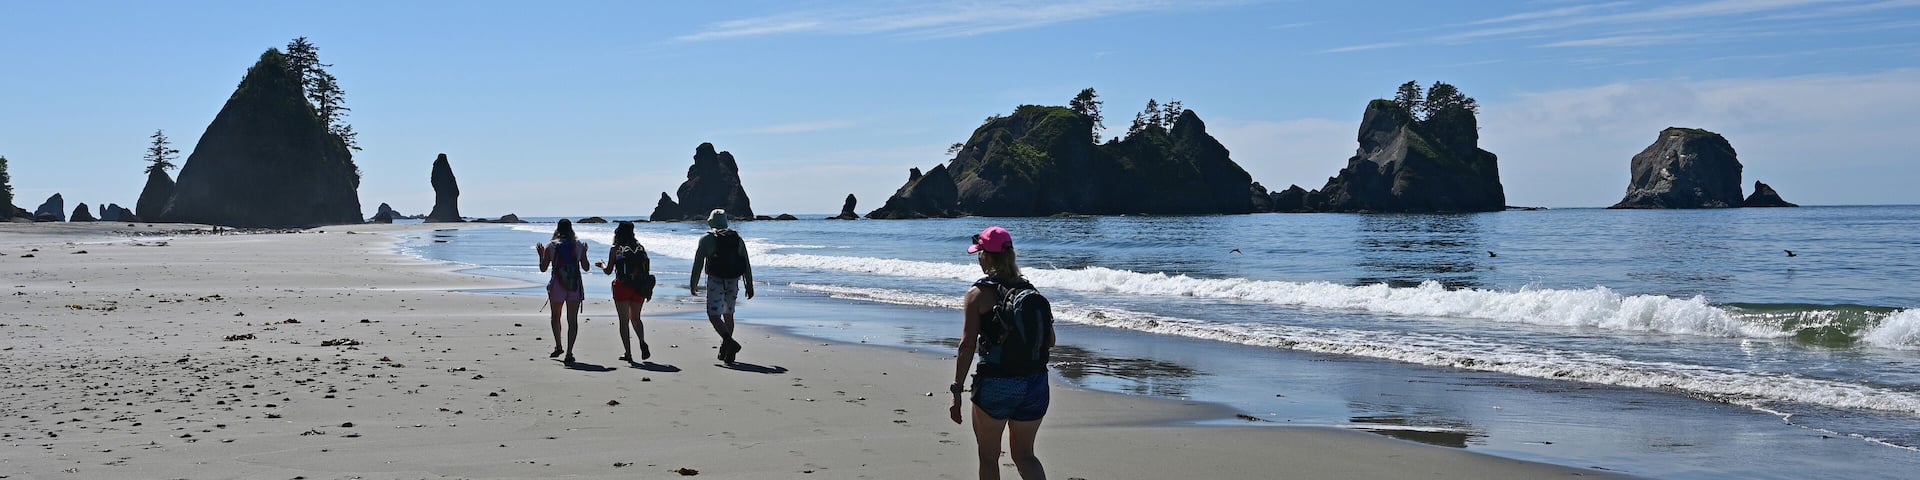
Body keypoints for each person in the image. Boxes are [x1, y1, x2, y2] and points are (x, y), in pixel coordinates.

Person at [950, 226, 1053, 480]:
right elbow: (1050, 340)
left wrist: (957, 390)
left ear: (986, 256)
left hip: (996, 383)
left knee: (988, 456)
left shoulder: (977, 294)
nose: (978, 258)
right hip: (1035, 382)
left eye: (979, 253)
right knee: (1025, 456)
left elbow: (967, 346)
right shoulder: (1029, 291)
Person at [689, 208, 754, 364]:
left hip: (716, 281)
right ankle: (726, 351)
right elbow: (746, 263)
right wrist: (749, 285)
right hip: (734, 280)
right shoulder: (737, 238)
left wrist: (693, 284)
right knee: (728, 315)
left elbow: (698, 264)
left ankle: (729, 343)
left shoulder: (706, 239)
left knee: (713, 315)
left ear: (710, 221)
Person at [595, 221, 654, 362]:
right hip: (639, 287)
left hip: (622, 287)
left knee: (624, 321)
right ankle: (641, 341)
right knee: (636, 318)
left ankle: (628, 353)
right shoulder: (640, 248)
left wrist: (602, 265)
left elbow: (609, 271)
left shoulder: (616, 249)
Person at [535, 219, 589, 363]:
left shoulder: (551, 246)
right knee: (572, 320)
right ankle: (569, 352)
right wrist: (585, 253)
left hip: (557, 285)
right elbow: (586, 267)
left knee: (555, 317)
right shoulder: (579, 245)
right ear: (571, 229)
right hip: (574, 285)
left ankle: (559, 345)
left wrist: (541, 255)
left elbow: (543, 268)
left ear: (558, 229)